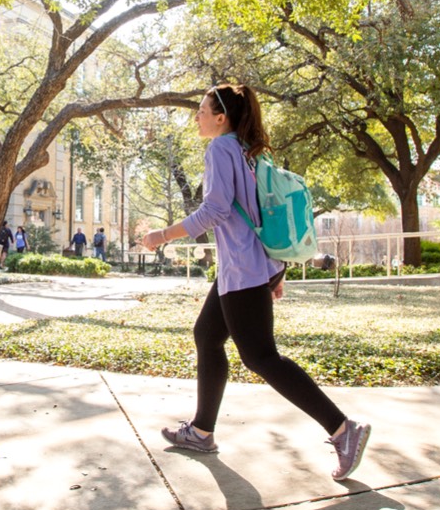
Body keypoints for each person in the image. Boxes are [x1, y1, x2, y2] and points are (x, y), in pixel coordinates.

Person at [140, 84, 371, 480]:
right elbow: (258, 214)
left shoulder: (220, 149)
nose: (196, 117)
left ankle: (343, 429)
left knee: (261, 357)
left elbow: (214, 210)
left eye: (201, 110)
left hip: (244, 270)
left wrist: (161, 236)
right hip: (247, 267)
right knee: (207, 336)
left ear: (220, 117)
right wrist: (274, 272)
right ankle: (201, 431)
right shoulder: (247, 152)